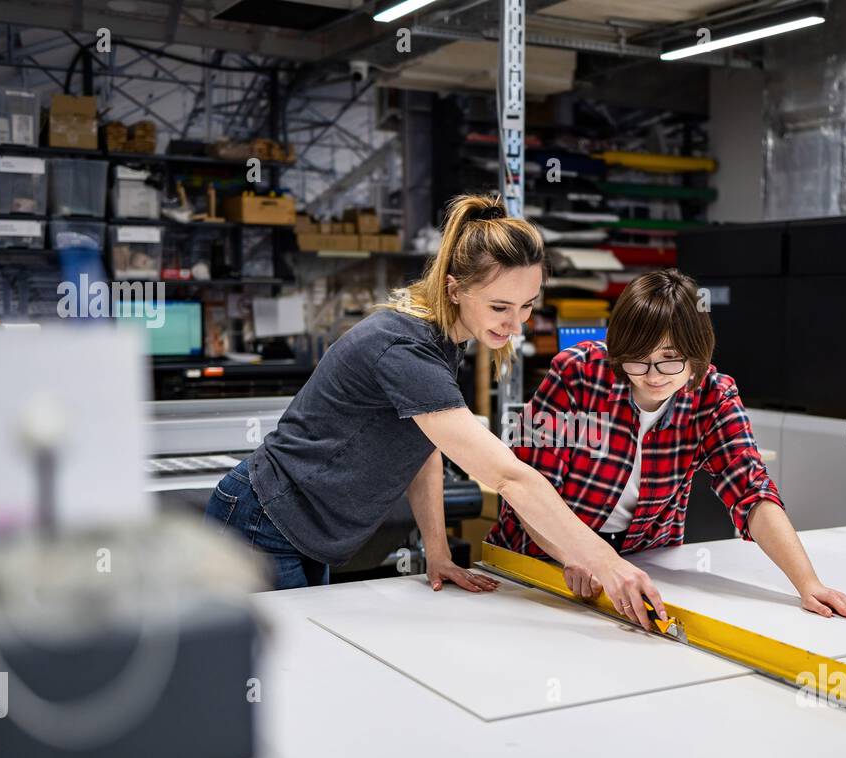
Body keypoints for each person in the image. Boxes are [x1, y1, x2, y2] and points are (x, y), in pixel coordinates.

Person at [204, 193, 667, 629]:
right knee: (279, 675)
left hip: (305, 530)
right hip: (262, 521)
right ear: (454, 289)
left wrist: (438, 552)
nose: (516, 323)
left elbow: (422, 444)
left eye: (528, 305)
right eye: (500, 306)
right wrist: (608, 564)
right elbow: (510, 477)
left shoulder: (445, 341)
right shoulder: (406, 348)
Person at [486, 268, 846, 621]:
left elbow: (752, 491)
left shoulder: (712, 396)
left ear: (698, 353)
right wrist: (577, 555)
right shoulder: (578, 374)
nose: (653, 376)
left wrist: (808, 583)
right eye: (637, 360)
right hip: (538, 563)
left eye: (670, 360)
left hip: (644, 562)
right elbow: (531, 489)